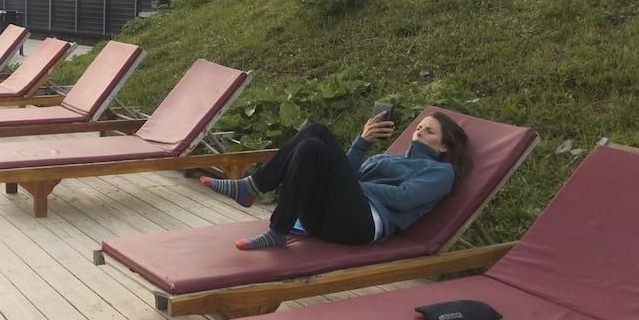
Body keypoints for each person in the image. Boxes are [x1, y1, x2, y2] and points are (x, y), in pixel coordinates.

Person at [202, 109, 472, 250]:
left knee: (318, 131)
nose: (419, 133)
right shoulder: (389, 159)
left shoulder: (440, 173)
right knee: (313, 148)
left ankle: (252, 187)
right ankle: (278, 231)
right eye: (418, 128)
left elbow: (403, 199)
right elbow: (348, 178)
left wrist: (351, 185)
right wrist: (362, 143)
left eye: (430, 132)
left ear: (445, 146)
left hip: (359, 227)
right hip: (323, 221)